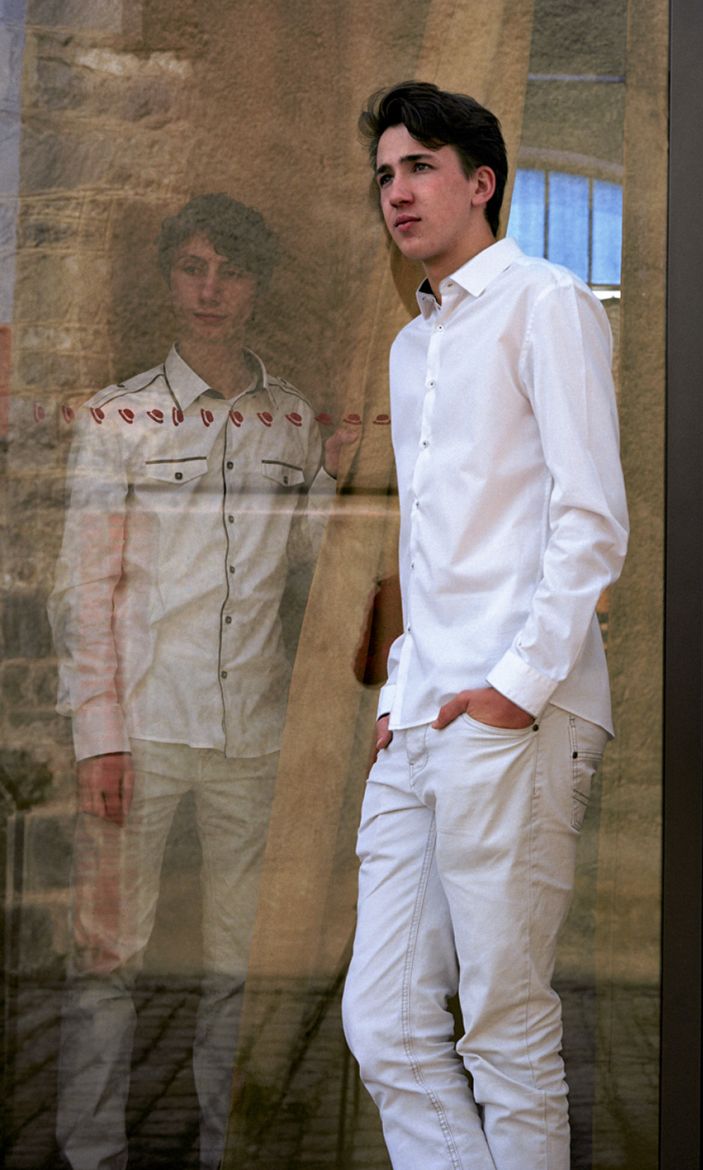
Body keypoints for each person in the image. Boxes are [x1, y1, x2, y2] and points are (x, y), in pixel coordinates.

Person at [340, 82, 628, 1170]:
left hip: (518, 712)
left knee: (503, 1029)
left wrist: (515, 688)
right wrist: (401, 688)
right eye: (385, 174)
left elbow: (591, 521)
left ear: (482, 183)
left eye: (420, 166)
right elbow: (429, 546)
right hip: (424, 715)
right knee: (384, 1020)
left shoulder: (546, 304)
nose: (397, 191)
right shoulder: (413, 347)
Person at [49, 193, 350, 1170]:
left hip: (249, 735)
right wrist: (98, 736)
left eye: (232, 270)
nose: (211, 290)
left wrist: (336, 480)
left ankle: (229, 1151)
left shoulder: (290, 420)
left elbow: (314, 567)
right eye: (193, 268)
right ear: (169, 279)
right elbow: (84, 589)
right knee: (107, 957)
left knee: (236, 967)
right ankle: (91, 1155)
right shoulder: (120, 417)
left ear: (257, 285)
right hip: (141, 728)